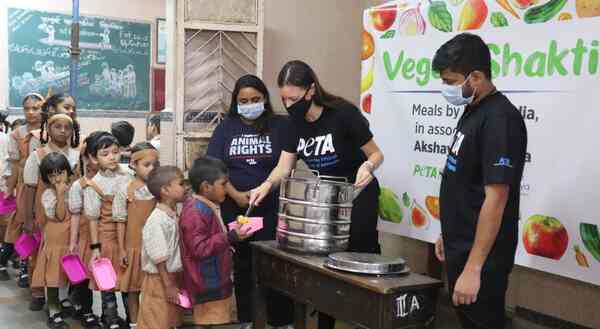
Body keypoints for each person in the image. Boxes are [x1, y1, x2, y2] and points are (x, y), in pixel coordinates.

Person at [249, 60, 385, 329]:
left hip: (358, 194)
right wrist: (266, 185)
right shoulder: (293, 125)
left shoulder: (342, 114)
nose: (288, 105)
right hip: (327, 199)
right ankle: (325, 322)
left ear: (311, 91)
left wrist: (367, 166)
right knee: (327, 263)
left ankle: (366, 320)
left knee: (358, 260)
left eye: (294, 98)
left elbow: (376, 154)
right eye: (283, 99)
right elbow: (284, 167)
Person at [432, 33, 527, 329]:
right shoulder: (473, 110)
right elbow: (465, 182)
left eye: (450, 81)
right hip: (461, 245)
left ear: (476, 76)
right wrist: (448, 233)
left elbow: (496, 199)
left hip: (483, 260)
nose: (446, 88)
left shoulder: (500, 119)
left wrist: (474, 269)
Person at [207, 74, 293, 329]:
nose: (250, 104)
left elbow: (286, 163)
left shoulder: (280, 125)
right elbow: (214, 165)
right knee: (243, 266)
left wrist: (265, 189)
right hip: (236, 208)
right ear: (236, 102)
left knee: (276, 265)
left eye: (255, 99)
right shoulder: (226, 127)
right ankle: (246, 320)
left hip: (271, 207)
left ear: (265, 99)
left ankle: (282, 322)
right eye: (244, 100)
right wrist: (233, 194)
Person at [180, 156, 252, 328]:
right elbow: (199, 248)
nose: (227, 190)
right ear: (206, 187)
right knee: (208, 322)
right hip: (206, 282)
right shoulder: (195, 212)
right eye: (223, 184)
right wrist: (230, 237)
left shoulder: (205, 205)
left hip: (212, 279)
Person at [23, 113, 80, 312]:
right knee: (42, 255)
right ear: (48, 128)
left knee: (66, 257)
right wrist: (27, 217)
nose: (63, 131)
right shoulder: (38, 154)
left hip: (70, 214)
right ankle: (39, 293)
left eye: (67, 127)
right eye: (58, 127)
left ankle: (65, 298)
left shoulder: (76, 155)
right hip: (44, 213)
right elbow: (29, 187)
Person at [84, 133, 130, 329]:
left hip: (128, 234)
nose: (112, 157)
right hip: (105, 238)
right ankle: (109, 318)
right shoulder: (94, 185)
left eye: (115, 152)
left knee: (128, 280)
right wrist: (95, 248)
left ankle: (132, 317)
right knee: (107, 281)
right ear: (94, 158)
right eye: (105, 153)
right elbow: (93, 220)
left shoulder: (129, 175)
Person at [0, 93, 43, 283]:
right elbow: (16, 165)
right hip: (25, 185)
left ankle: (36, 267)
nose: (31, 112)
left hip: (45, 185)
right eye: (27, 108)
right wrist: (9, 190)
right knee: (24, 224)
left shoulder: (49, 130)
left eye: (35, 108)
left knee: (41, 224)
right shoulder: (17, 134)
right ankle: (24, 265)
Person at [116, 142, 159, 328]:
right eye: (146, 165)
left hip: (155, 248)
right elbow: (120, 221)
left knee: (154, 286)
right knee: (133, 288)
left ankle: (152, 321)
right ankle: (134, 322)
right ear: (133, 165)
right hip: (134, 246)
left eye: (155, 165)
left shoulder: (159, 189)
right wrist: (122, 249)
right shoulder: (125, 189)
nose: (152, 169)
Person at [138, 166, 186, 329]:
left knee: (171, 321)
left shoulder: (171, 215)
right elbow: (159, 258)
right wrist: (169, 285)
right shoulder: (156, 220)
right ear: (165, 190)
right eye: (181, 184)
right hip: (160, 281)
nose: (185, 188)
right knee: (156, 322)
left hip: (172, 277)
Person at [31, 152, 75, 329]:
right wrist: (59, 193)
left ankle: (64, 301)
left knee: (68, 273)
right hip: (55, 240)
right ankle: (53, 311)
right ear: (46, 178)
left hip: (70, 238)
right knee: (53, 276)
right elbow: (60, 214)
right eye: (52, 175)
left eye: (60, 173)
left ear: (67, 172)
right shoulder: (48, 195)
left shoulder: (74, 189)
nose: (57, 178)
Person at [68, 132, 107, 329]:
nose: (109, 158)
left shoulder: (120, 179)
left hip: (108, 234)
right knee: (83, 276)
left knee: (108, 275)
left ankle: (111, 314)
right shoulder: (80, 185)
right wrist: (73, 241)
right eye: (103, 153)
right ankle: (86, 310)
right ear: (89, 157)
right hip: (85, 234)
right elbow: (75, 214)